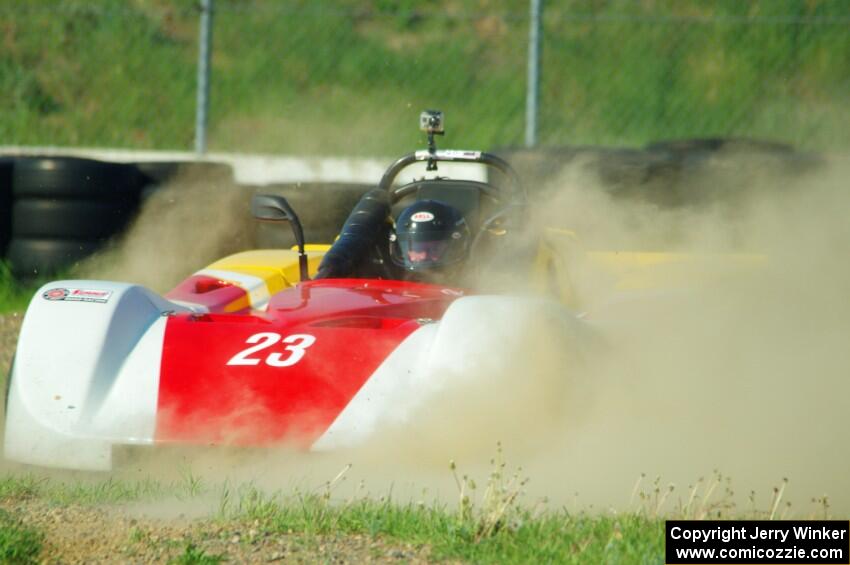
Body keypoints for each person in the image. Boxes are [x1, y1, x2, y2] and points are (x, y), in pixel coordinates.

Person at [388, 199, 471, 284]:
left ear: (455, 250)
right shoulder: (389, 278)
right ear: (401, 250)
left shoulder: (475, 282)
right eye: (417, 249)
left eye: (434, 249)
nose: (424, 257)